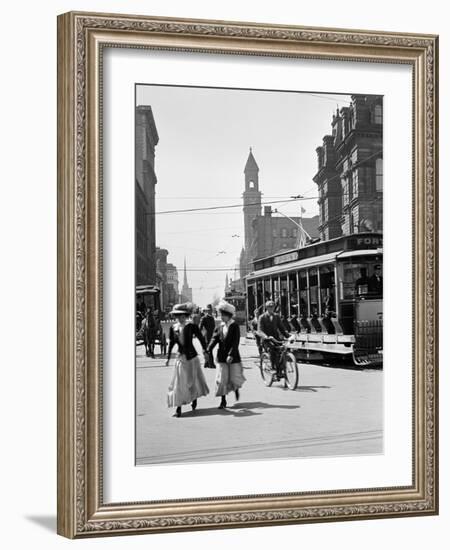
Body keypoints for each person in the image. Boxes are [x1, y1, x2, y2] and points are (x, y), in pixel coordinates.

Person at [165, 302, 210, 417]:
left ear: (186, 316)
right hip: (180, 358)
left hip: (192, 358)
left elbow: (200, 338)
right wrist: (168, 357)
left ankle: (194, 398)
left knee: (192, 380)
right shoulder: (173, 328)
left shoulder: (191, 326)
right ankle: (178, 408)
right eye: (178, 316)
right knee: (179, 382)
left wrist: (205, 350)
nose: (180, 318)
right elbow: (171, 344)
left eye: (182, 316)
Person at [207, 300, 246, 409]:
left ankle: (236, 389)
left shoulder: (234, 326)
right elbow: (214, 339)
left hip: (232, 356)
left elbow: (235, 342)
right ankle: (223, 401)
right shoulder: (219, 327)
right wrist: (208, 348)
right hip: (222, 357)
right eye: (221, 315)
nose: (222, 317)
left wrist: (231, 354)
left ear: (229, 316)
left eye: (224, 315)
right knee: (222, 379)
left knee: (234, 377)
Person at [257, 300, 290, 375]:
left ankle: (281, 368)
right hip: (267, 340)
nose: (272, 308)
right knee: (272, 350)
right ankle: (273, 368)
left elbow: (281, 328)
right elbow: (259, 330)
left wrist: (288, 336)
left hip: (276, 338)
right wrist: (266, 337)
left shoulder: (276, 316)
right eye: (270, 307)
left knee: (282, 350)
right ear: (266, 308)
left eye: (273, 307)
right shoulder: (262, 317)